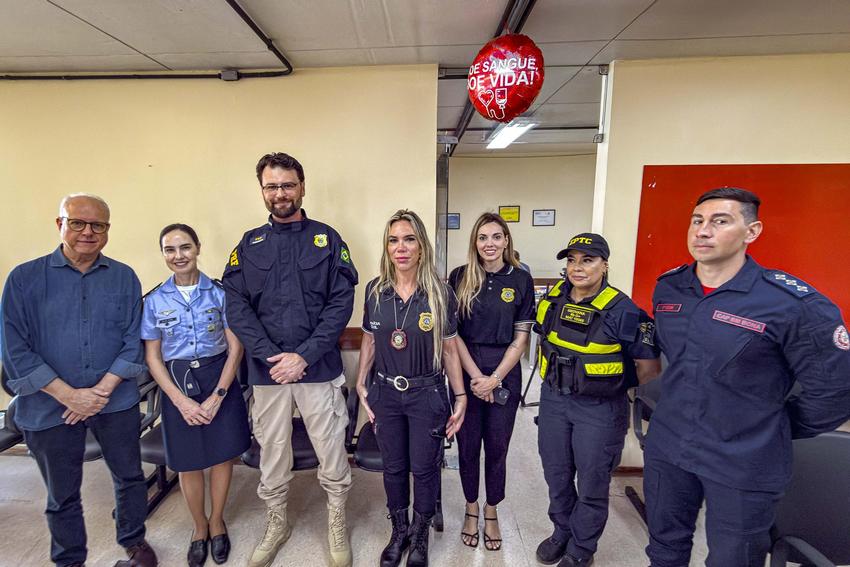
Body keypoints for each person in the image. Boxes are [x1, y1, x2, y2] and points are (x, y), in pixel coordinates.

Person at [644, 187, 850, 567]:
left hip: (742, 459)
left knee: (734, 559)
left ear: (751, 232)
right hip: (670, 445)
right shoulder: (670, 287)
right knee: (664, 547)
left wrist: (773, 426)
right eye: (697, 221)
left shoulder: (792, 303)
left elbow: (835, 391)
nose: (703, 231)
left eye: (720, 221)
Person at [1, 194, 158, 567]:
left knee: (130, 477)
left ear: (107, 230)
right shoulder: (24, 279)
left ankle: (134, 540)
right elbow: (14, 350)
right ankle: (70, 559)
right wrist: (70, 396)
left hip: (114, 402)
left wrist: (98, 393)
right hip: (48, 406)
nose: (88, 232)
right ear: (60, 225)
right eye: (77, 223)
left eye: (97, 225)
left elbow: (133, 341)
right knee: (63, 494)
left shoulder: (123, 277)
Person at [222, 152, 358, 567]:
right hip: (268, 374)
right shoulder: (249, 245)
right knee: (273, 451)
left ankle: (337, 520)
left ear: (302, 187)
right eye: (272, 186)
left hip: (317, 369)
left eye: (287, 185)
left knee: (331, 448)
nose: (280, 193)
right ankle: (276, 522)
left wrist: (304, 355)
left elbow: (341, 303)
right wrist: (271, 356)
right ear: (262, 191)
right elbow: (236, 306)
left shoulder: (327, 239)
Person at [534, 233, 661, 567]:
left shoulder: (624, 310)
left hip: (599, 408)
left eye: (587, 260)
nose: (577, 267)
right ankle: (562, 531)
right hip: (554, 400)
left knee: (592, 481)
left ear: (604, 265)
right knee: (556, 473)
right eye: (572, 260)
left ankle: (582, 548)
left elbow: (649, 368)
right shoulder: (554, 300)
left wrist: (607, 384)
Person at [356, 209, 467, 567]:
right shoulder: (375, 291)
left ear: (421, 246)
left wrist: (460, 395)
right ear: (386, 247)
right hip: (386, 393)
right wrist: (360, 381)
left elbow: (449, 350)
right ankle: (399, 531)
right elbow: (369, 340)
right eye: (393, 240)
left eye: (409, 239)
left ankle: (420, 536)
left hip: (426, 394)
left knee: (424, 468)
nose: (400, 247)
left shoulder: (440, 293)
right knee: (393, 467)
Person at [141, 223, 250, 567]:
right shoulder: (154, 300)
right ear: (163, 254)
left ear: (198, 248)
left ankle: (216, 521)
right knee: (188, 461)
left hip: (218, 376)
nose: (179, 256)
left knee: (221, 456)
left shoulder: (220, 293)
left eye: (185, 247)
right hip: (177, 382)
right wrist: (180, 401)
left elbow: (235, 348)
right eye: (170, 249)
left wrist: (219, 394)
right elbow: (153, 357)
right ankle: (199, 527)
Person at [448, 212, 535, 551]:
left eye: (496, 237)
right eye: (483, 237)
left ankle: (491, 509)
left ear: (506, 240)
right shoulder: (459, 276)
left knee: (497, 448)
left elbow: (521, 338)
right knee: (468, 447)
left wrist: (494, 379)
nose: (490, 244)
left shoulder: (521, 279)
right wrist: (476, 378)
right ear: (475, 241)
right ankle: (471, 508)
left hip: (505, 371)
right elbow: (452, 335)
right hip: (466, 370)